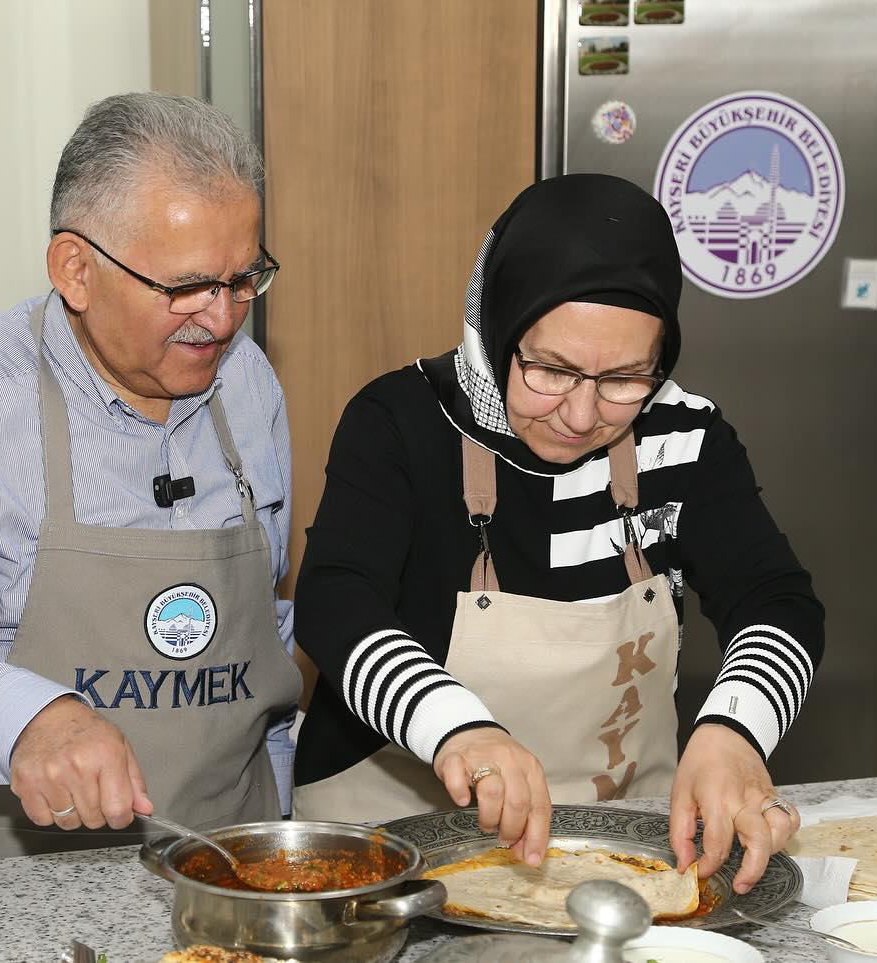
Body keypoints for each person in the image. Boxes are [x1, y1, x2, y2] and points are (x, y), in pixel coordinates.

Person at [290, 174, 823, 893]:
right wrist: (456, 727)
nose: (580, 414)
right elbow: (335, 601)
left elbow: (776, 598)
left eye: (626, 378)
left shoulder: (686, 436)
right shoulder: (400, 425)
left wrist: (735, 729)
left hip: (621, 844)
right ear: (501, 324)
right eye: (551, 369)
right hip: (389, 843)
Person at [0, 93, 301, 868]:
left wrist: (282, 823)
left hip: (227, 864)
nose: (221, 321)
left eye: (242, 279)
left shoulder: (248, 383)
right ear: (76, 269)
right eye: (186, 287)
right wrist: (31, 718)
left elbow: (267, 632)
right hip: (7, 876)